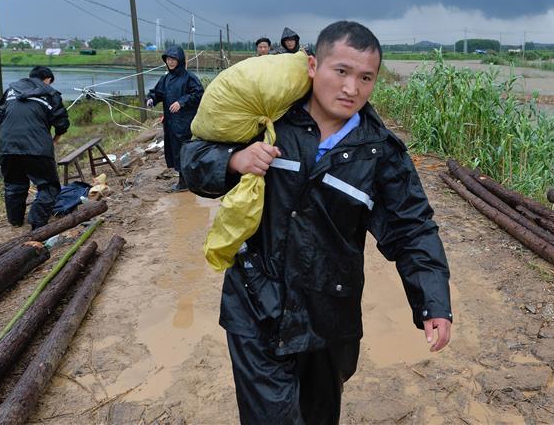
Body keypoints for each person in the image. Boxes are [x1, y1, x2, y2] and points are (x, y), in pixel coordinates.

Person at [182, 21, 452, 424]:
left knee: (319, 416)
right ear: (312, 66)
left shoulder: (379, 152)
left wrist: (433, 302)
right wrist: (233, 161)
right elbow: (193, 159)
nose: (351, 88)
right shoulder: (268, 120)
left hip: (329, 315)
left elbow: (412, 227)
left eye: (366, 78)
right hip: (255, 303)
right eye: (340, 71)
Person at [0, 65, 70, 229]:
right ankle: (37, 224)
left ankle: (15, 221)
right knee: (48, 186)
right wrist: (55, 138)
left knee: (14, 184)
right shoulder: (50, 94)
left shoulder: (11, 91)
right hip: (37, 147)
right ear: (48, 79)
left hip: (8, 146)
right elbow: (62, 123)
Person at [146, 46, 204, 192]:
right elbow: (157, 93)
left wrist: (181, 102)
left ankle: (186, 182)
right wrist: (151, 99)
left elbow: (198, 93)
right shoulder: (165, 79)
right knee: (175, 151)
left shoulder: (189, 78)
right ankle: (183, 180)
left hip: (185, 122)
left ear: (180, 60)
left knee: (185, 150)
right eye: (168, 59)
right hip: (171, 123)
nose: (170, 62)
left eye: (173, 59)